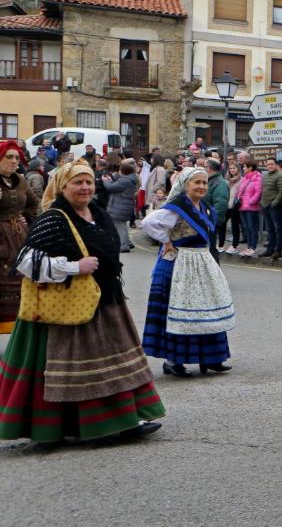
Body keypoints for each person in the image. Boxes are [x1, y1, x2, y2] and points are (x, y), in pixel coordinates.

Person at [0, 160, 164, 442]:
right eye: (77, 182)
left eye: (88, 182)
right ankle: (91, 427)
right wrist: (75, 267)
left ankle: (124, 420)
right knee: (82, 373)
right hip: (71, 309)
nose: (85, 187)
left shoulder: (98, 214)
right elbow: (26, 262)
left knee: (113, 366)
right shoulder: (53, 218)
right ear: (63, 187)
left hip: (107, 302)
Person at [141, 168, 235, 377]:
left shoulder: (205, 207)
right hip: (180, 264)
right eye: (197, 183)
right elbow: (148, 223)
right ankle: (173, 361)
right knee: (178, 312)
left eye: (204, 183)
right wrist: (166, 241)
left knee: (208, 308)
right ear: (186, 185)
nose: (201, 187)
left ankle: (211, 357)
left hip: (201, 262)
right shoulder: (177, 207)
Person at [0, 142, 40, 334]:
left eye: (17, 157)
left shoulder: (21, 180)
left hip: (19, 238)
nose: (14, 161)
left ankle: (16, 335)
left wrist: (28, 221)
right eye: (9, 157)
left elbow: (33, 204)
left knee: (21, 284)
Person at [102, 160, 139, 253]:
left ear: (123, 171)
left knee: (120, 226)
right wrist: (110, 181)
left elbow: (111, 188)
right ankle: (128, 242)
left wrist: (105, 181)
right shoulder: (130, 179)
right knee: (122, 225)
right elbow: (115, 185)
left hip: (120, 207)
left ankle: (123, 245)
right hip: (124, 206)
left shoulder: (125, 181)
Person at [259, 158, 282, 259]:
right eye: (268, 164)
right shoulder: (265, 175)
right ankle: (269, 249)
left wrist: (274, 203)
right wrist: (262, 202)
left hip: (275, 207)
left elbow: (281, 192)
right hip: (265, 205)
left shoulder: (281, 176)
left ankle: (278, 251)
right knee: (269, 229)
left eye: (272, 164)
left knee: (278, 229)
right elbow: (264, 190)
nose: (270, 166)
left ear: (276, 165)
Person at [237, 159, 263, 257]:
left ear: (250, 167)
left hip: (251, 207)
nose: (243, 169)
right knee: (246, 227)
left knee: (252, 228)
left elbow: (258, 192)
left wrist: (251, 202)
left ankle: (253, 247)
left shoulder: (257, 177)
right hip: (242, 206)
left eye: (244, 167)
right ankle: (248, 246)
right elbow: (240, 190)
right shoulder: (245, 178)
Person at [204, 158, 229, 254]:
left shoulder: (219, 183)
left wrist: (213, 221)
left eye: (204, 166)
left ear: (209, 168)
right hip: (205, 220)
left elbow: (221, 204)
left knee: (210, 250)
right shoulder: (209, 181)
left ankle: (213, 269)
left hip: (210, 221)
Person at [221, 161, 243, 254]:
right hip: (226, 205)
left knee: (235, 226)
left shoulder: (242, 179)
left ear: (238, 169)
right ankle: (220, 245)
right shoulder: (226, 179)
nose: (232, 170)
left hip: (236, 205)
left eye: (234, 168)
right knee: (222, 224)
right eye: (231, 168)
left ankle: (234, 245)